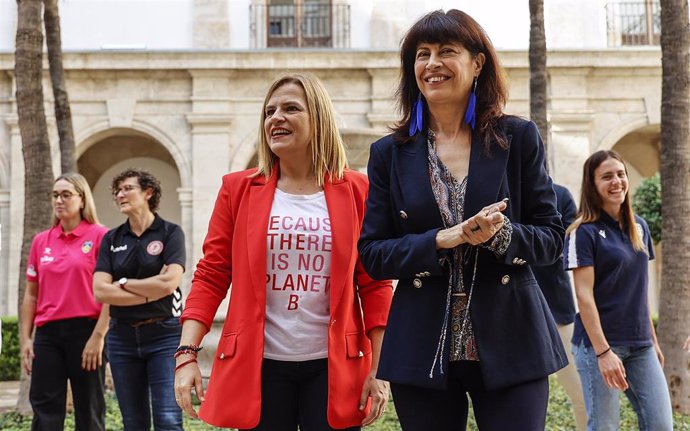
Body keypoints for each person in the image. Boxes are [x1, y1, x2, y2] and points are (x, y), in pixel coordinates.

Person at [358, 9, 566, 431]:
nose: (432, 63)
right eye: (422, 54)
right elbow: (373, 254)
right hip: (421, 345)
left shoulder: (517, 137)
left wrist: (502, 234)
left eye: (446, 51)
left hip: (513, 338)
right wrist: (439, 240)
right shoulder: (389, 153)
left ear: (477, 63)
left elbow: (551, 238)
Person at [174, 73, 393, 431]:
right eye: (269, 111)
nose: (276, 117)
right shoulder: (237, 190)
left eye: (291, 108)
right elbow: (212, 274)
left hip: (334, 366)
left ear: (318, 118)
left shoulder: (357, 190)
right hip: (258, 367)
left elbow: (374, 283)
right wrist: (187, 354)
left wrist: (379, 369)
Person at [564, 150, 673, 431]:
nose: (617, 181)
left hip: (641, 345)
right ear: (593, 185)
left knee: (660, 424)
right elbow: (584, 296)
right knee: (605, 427)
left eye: (621, 174)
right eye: (607, 176)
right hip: (598, 347)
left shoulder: (640, 228)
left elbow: (638, 289)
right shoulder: (583, 232)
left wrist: (654, 341)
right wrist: (603, 353)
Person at [93, 169, 186, 431]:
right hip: (121, 339)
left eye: (127, 188)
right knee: (133, 422)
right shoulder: (112, 239)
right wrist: (150, 290)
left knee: (168, 418)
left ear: (148, 192)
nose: (120, 195)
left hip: (164, 336)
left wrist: (122, 284)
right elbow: (100, 291)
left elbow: (169, 284)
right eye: (117, 191)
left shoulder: (170, 233)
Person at [20, 172, 109, 431]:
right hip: (47, 335)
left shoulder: (101, 236)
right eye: (55, 195)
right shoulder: (41, 241)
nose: (59, 200)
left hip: (86, 332)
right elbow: (31, 295)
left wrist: (99, 336)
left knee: (89, 409)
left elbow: (110, 294)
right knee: (45, 410)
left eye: (66, 194)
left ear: (82, 200)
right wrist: (26, 339)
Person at [531, 182, 587, 431]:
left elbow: (565, 248)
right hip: (511, 313)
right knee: (520, 403)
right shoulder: (497, 189)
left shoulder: (561, 195)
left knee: (583, 393)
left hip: (557, 310)